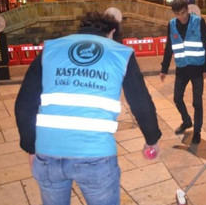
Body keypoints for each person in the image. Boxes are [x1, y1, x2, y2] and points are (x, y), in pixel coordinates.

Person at [15, 12, 162, 205]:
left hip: (48, 154)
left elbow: (24, 104)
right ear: (112, 32)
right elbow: (140, 101)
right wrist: (151, 140)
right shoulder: (121, 53)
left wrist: (31, 148)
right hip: (96, 156)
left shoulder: (50, 49)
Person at [160, 0, 206, 144]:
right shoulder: (171, 24)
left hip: (197, 68)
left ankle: (197, 131)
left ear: (187, 10)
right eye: (178, 14)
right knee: (177, 98)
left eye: (183, 13)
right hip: (182, 68)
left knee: (197, 102)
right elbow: (169, 46)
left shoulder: (198, 21)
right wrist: (164, 68)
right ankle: (186, 121)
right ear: (174, 13)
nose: (181, 17)